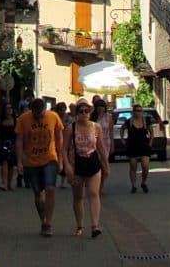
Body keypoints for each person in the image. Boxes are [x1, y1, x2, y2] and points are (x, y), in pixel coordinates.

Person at [15, 98, 65, 237]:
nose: (39, 117)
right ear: (32, 111)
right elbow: (19, 141)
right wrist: (19, 162)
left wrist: (61, 160)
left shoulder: (53, 117)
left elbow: (59, 138)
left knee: (50, 188)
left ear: (45, 109)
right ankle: (43, 220)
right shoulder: (24, 119)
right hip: (31, 162)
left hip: (50, 158)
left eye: (41, 114)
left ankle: (48, 223)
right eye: (36, 115)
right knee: (38, 194)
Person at [64, 96, 109, 239]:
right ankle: (80, 226)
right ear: (77, 113)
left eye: (86, 111)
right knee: (78, 196)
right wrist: (67, 166)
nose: (84, 114)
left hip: (93, 163)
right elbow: (64, 149)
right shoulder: (71, 128)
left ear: (90, 112)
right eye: (81, 111)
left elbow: (101, 147)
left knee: (94, 193)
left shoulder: (96, 127)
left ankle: (95, 226)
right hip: (76, 164)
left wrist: (106, 164)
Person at [122, 104, 153, 192]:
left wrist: (150, 143)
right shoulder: (129, 121)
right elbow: (122, 129)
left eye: (140, 111)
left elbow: (151, 132)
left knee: (145, 166)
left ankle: (143, 182)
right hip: (132, 146)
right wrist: (122, 140)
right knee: (133, 167)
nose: (138, 113)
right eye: (137, 110)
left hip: (144, 146)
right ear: (133, 112)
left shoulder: (146, 121)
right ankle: (133, 185)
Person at [90, 96, 114, 193]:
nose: (100, 108)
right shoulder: (92, 117)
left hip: (106, 143)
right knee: (97, 165)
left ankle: (101, 185)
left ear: (105, 107)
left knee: (104, 166)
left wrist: (113, 145)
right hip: (94, 143)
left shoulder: (109, 117)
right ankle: (94, 184)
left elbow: (111, 131)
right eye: (98, 106)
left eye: (102, 106)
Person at [0, 103, 17, 190]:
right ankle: (4, 183)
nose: (9, 110)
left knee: (11, 164)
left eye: (10, 108)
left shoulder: (16, 120)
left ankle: (9, 183)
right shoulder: (0, 120)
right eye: (7, 108)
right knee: (4, 162)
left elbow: (18, 133)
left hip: (12, 143)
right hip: (3, 142)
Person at [55, 102, 69, 187]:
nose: (62, 111)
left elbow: (70, 126)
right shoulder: (56, 118)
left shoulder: (68, 117)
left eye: (63, 109)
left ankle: (63, 182)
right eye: (60, 109)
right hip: (56, 140)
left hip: (66, 140)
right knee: (55, 160)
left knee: (64, 160)